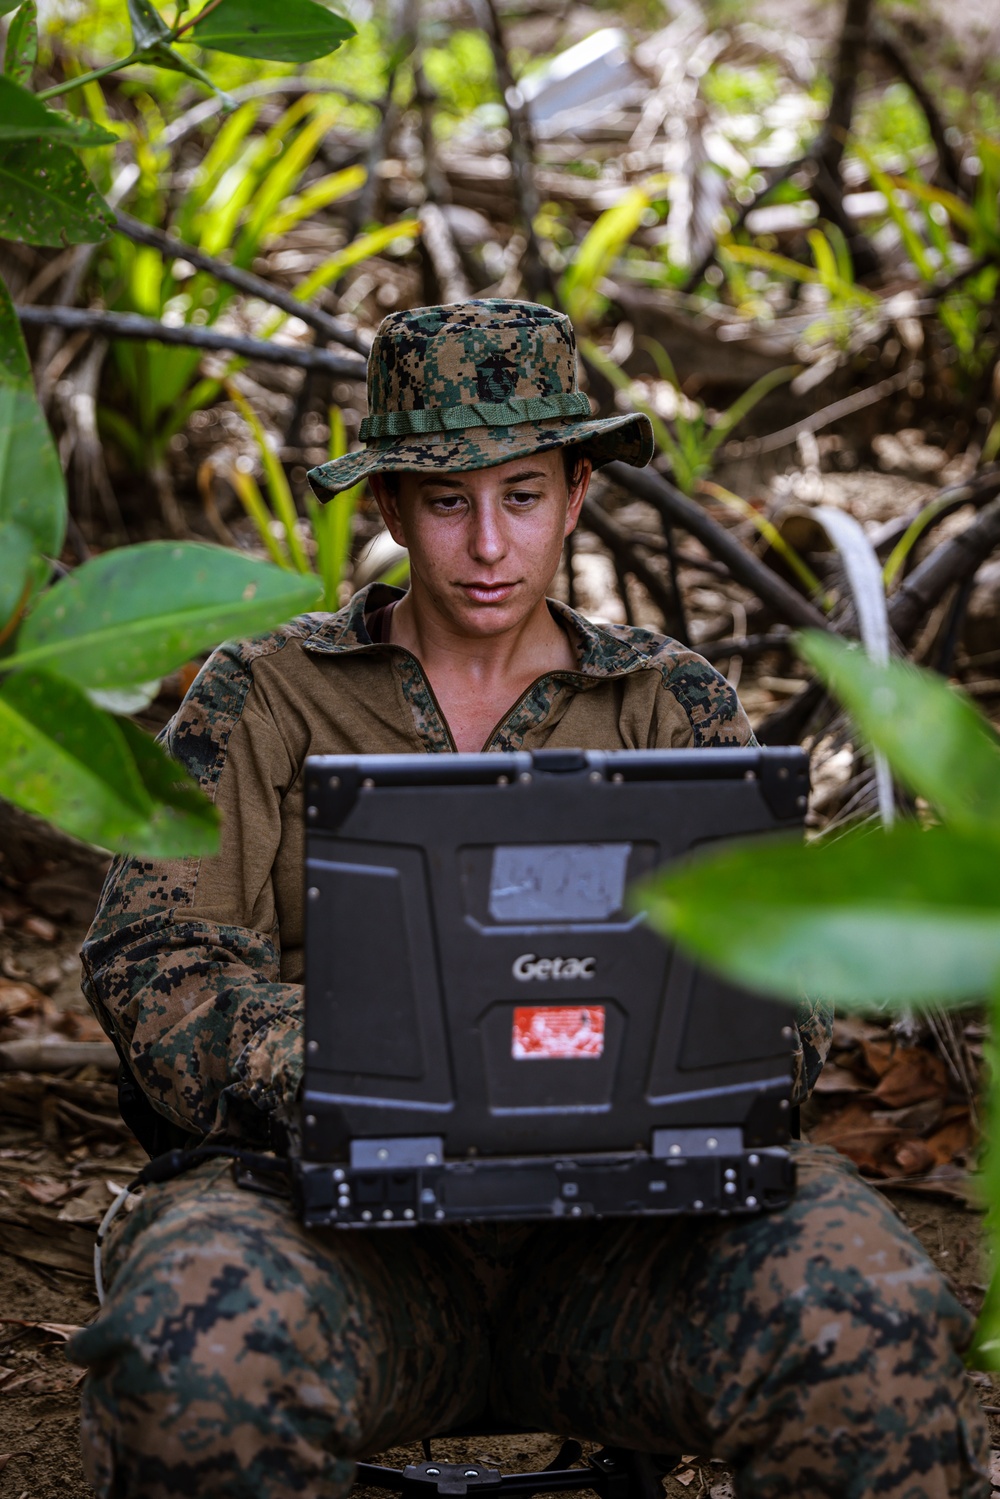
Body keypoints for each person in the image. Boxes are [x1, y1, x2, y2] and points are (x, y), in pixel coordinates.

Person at [69, 301, 989, 1499]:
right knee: (191, 1354)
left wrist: (650, 1049)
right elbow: (150, 954)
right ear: (393, 509)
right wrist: (343, 1057)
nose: (489, 544)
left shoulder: (670, 705)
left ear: (576, 494)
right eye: (448, 502)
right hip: (334, 1226)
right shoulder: (270, 693)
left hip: (629, 1233)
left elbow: (791, 976)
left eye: (522, 495)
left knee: (870, 1329)